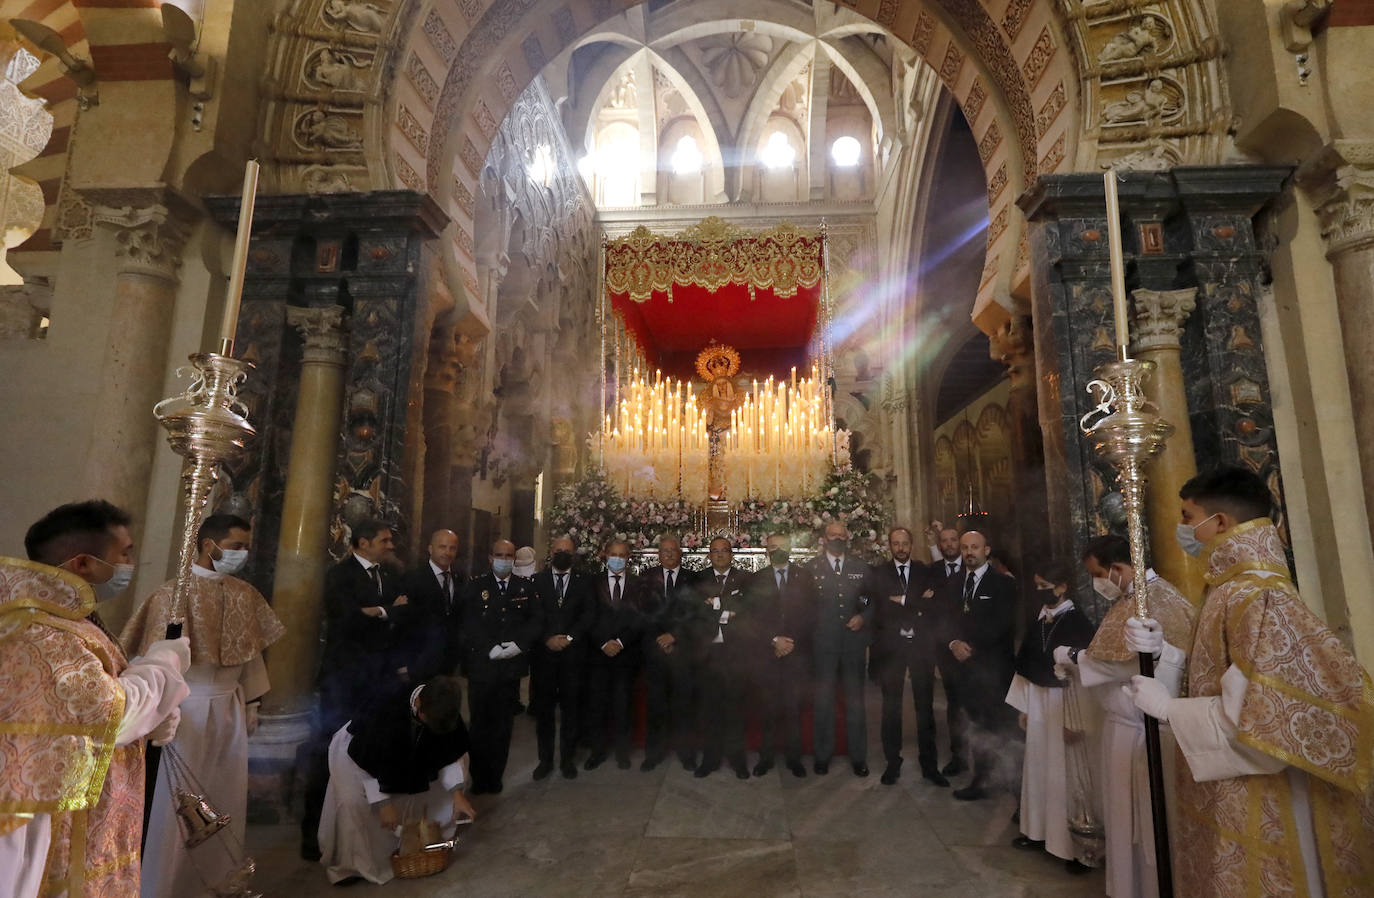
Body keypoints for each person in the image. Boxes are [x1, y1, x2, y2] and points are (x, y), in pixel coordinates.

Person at [1125, 467, 1374, 897]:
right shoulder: (1233, 588)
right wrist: (1167, 653)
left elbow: (1261, 723)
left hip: (1265, 796)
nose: (1183, 530)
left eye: (1188, 517)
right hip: (1236, 789)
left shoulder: (1255, 595)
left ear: (1219, 523)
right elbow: (1220, 674)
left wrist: (1169, 710)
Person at [2, 501, 190, 898]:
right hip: (33, 817)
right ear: (83, 564)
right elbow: (110, 714)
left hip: (60, 803)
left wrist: (152, 713)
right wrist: (163, 664)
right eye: (125, 553)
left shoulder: (63, 620)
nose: (132, 563)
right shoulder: (41, 630)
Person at [120, 513, 285, 898]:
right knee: (178, 799)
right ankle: (166, 884)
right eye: (235, 547)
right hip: (185, 709)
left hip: (230, 705)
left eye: (246, 546)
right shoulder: (170, 595)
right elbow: (152, 659)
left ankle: (219, 879)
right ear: (209, 546)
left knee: (224, 791)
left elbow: (250, 653)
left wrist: (254, 703)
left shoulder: (246, 594)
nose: (242, 554)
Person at [1055, 533, 1194, 898]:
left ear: (1117, 569)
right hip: (1129, 726)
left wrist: (1071, 657)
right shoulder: (1143, 597)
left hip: (1143, 730)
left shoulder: (1151, 601)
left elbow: (1118, 664)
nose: (1098, 583)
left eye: (1098, 574)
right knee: (1126, 821)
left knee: (1142, 823)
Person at [302, 518, 406, 859]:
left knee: (375, 751)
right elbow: (346, 618)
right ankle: (313, 835)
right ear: (363, 542)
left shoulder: (387, 575)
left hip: (378, 679)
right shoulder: (339, 575)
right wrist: (387, 611)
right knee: (329, 751)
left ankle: (367, 833)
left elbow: (404, 615)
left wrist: (378, 613)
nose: (391, 545)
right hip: (343, 681)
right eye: (384, 540)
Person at [318, 675, 477, 886]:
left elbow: (452, 750)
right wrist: (383, 801)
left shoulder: (443, 710)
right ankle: (354, 865)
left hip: (408, 761)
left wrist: (458, 794)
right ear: (419, 705)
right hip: (359, 756)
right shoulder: (385, 705)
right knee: (352, 803)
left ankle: (420, 843)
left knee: (442, 784)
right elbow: (365, 759)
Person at [1004, 562, 1095, 873]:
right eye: (1037, 584)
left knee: (1066, 776)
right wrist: (1024, 706)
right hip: (1039, 703)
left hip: (1065, 704)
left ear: (1062, 587)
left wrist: (1078, 719)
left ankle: (1077, 848)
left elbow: (1087, 677)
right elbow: (1026, 663)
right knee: (1038, 769)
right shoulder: (1040, 619)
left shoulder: (1078, 623)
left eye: (1045, 584)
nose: (1040, 590)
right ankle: (1038, 832)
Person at [940, 529, 1018, 801]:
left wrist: (970, 647)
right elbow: (944, 620)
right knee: (975, 724)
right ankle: (982, 779)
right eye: (964, 548)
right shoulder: (952, 584)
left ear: (986, 550)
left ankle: (1011, 780)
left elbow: (1002, 624)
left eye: (975, 547)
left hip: (993, 668)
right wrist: (952, 643)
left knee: (998, 724)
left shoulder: (1004, 584)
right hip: (963, 670)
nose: (969, 552)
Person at [460, 539, 540, 795]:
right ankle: (479, 776)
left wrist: (520, 644)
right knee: (481, 723)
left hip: (510, 668)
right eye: (500, 555)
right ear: (490, 557)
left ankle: (495, 776)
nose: (504, 560)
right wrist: (488, 648)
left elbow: (536, 621)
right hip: (482, 667)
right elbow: (469, 623)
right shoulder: (475, 587)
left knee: (503, 725)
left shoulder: (523, 588)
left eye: (509, 556)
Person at [808, 521, 876, 777]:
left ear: (847, 537)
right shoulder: (811, 568)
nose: (836, 538)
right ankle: (822, 756)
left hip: (852, 645)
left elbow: (870, 599)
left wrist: (863, 617)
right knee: (823, 702)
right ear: (824, 538)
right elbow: (804, 606)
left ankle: (858, 757)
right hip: (823, 645)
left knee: (855, 702)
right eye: (831, 535)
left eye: (840, 535)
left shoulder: (860, 567)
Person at [744, 533, 815, 778]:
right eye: (773, 547)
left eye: (782, 547)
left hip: (797, 653)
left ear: (790, 548)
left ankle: (794, 759)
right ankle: (766, 757)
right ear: (766, 551)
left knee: (793, 709)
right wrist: (774, 640)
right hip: (767, 654)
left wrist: (790, 642)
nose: (778, 551)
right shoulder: (756, 580)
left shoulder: (805, 578)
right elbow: (750, 618)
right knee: (769, 708)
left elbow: (812, 614)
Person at [529, 536, 595, 780]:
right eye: (558, 550)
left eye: (567, 551)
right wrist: (547, 638)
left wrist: (569, 638)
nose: (562, 554)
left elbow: (589, 614)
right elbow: (533, 615)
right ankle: (545, 760)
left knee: (571, 710)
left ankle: (567, 760)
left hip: (573, 655)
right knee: (544, 712)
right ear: (550, 551)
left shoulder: (584, 582)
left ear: (574, 554)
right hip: (544, 655)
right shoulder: (537, 581)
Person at [637, 535, 701, 771]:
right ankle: (654, 753)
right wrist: (660, 638)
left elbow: (696, 613)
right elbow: (641, 612)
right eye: (664, 551)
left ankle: (686, 753)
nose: (669, 554)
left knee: (684, 705)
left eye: (673, 550)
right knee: (656, 705)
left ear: (680, 553)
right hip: (655, 651)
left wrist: (675, 636)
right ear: (658, 554)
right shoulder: (645, 578)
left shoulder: (692, 579)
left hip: (682, 650)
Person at [690, 536, 752, 779]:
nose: (719, 555)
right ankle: (710, 759)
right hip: (707, 654)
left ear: (731, 554)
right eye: (714, 551)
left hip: (735, 654)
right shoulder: (697, 579)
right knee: (709, 709)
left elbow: (747, 608)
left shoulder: (746, 579)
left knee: (735, 709)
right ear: (708, 555)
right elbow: (694, 611)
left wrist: (714, 604)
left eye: (724, 551)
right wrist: (727, 607)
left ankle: (737, 759)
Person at [585, 539, 644, 770]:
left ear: (628, 557)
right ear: (604, 555)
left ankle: (622, 751)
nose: (617, 558)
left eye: (622, 554)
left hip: (625, 653)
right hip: (598, 654)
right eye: (613, 554)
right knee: (597, 704)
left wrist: (620, 642)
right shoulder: (592, 583)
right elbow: (588, 615)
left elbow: (640, 617)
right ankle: (597, 751)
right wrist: (603, 642)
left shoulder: (638, 584)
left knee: (623, 704)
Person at [923, 520, 967, 775]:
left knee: (977, 700)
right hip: (945, 646)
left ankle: (986, 755)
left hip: (973, 646)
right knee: (954, 702)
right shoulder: (933, 571)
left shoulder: (973, 567)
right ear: (940, 545)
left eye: (953, 540)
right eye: (945, 541)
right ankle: (958, 755)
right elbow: (928, 606)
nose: (949, 544)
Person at [394, 529, 465, 682]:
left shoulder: (461, 579)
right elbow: (402, 624)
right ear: (430, 549)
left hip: (449, 664)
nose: (447, 552)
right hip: (418, 661)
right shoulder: (412, 579)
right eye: (442, 547)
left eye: (452, 548)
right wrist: (402, 663)